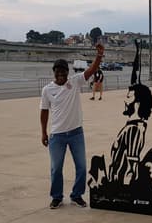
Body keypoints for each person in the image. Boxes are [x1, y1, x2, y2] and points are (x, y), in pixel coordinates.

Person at [40, 43, 105, 209]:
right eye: (58, 71)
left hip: (76, 133)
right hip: (57, 135)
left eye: (63, 71)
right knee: (56, 169)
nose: (61, 74)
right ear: (54, 72)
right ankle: (57, 197)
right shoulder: (47, 90)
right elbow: (44, 112)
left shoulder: (75, 82)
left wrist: (99, 55)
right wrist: (43, 133)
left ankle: (77, 195)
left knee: (82, 167)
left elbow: (91, 70)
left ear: (68, 72)